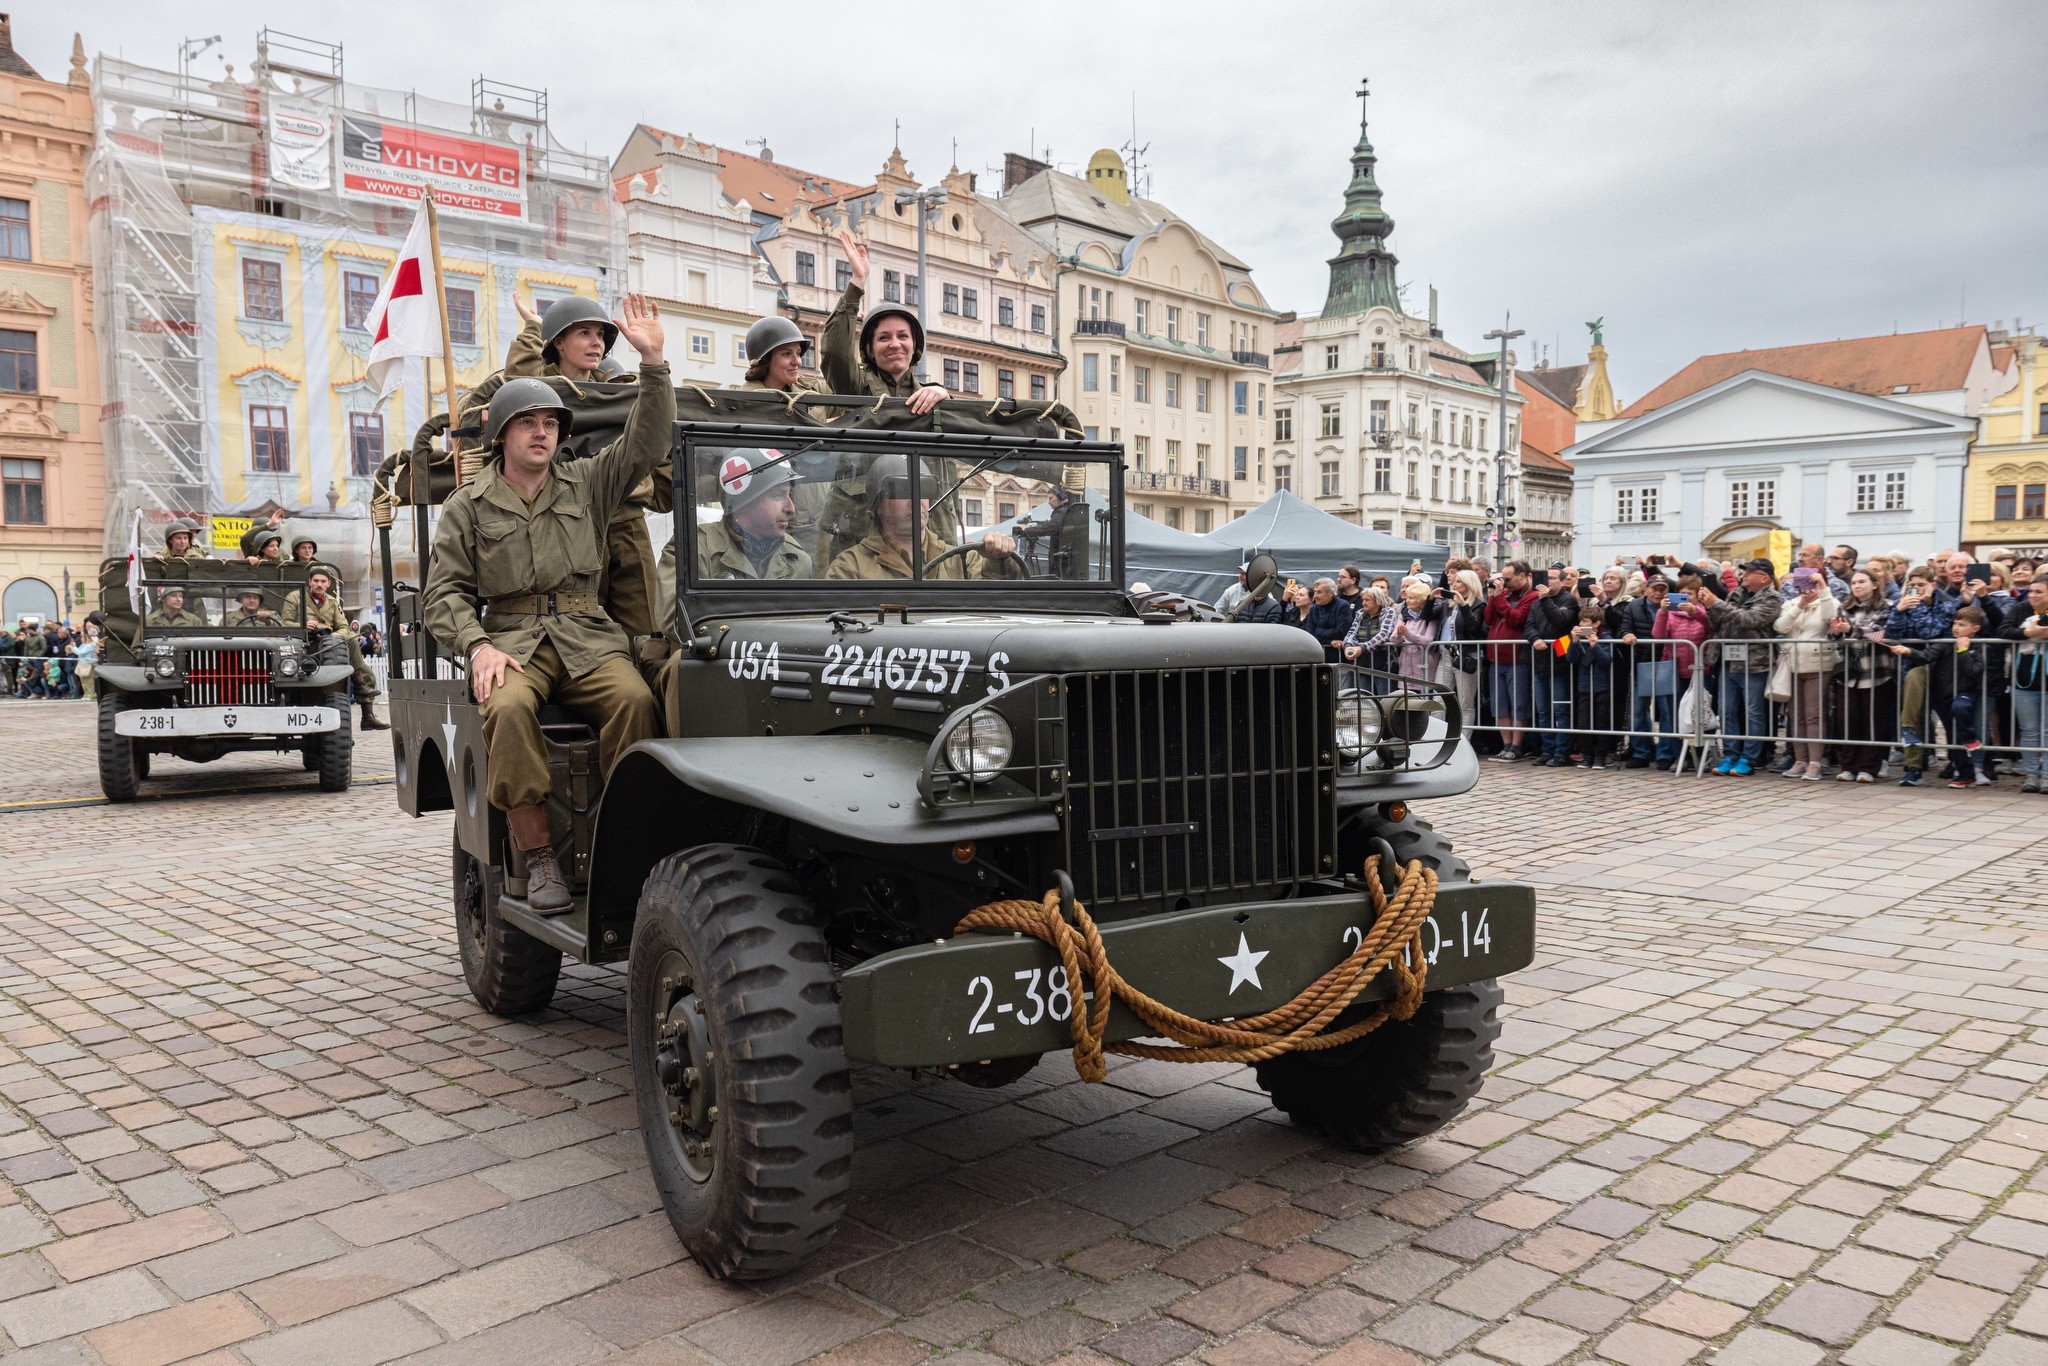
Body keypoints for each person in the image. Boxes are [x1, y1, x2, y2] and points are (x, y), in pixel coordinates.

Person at [422, 295, 670, 915]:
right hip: (512, 639)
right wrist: (477, 646)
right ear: (502, 434)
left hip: (587, 634)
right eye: (528, 423)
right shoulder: (468, 506)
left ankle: (623, 844)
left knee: (636, 701)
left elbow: (644, 444)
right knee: (506, 708)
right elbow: (444, 594)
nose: (542, 433)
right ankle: (538, 857)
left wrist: (653, 363)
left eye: (551, 424)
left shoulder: (587, 483)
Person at [826, 455, 1017, 580]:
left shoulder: (962, 560)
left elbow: (998, 606)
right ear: (878, 506)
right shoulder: (850, 566)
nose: (916, 501)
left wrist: (999, 559)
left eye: (923, 489)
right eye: (901, 490)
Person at [822, 230, 949, 411]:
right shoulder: (856, 386)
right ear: (870, 349)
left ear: (915, 345)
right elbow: (835, 354)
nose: (895, 344)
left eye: (903, 336)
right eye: (884, 338)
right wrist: (857, 283)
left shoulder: (928, 396)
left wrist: (945, 396)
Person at [1703, 558, 1780, 775]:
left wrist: (1717, 603)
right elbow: (1718, 623)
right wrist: (1709, 608)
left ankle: (1749, 758)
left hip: (1754, 663)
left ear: (1763, 577)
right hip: (1727, 660)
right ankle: (1730, 754)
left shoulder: (1772, 597)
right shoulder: (1736, 593)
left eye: (1749, 572)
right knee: (1726, 711)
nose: (1743, 575)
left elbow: (1750, 619)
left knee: (1754, 712)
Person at [285, 566, 387, 731]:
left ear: (328, 584)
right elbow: (285, 623)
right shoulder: (295, 597)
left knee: (362, 663)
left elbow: (344, 627)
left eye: (323, 581)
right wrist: (302, 626)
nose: (319, 584)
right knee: (353, 649)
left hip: (331, 646)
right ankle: (360, 685)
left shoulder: (332, 602)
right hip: (305, 646)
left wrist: (333, 637)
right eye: (316, 581)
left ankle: (368, 715)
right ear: (309, 582)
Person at [696, 450, 815, 580]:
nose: (791, 509)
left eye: (789, 494)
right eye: (779, 495)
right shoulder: (698, 550)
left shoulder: (798, 559)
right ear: (746, 502)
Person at [1829, 570, 1895, 783]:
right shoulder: (1844, 606)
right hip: (1848, 671)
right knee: (1847, 719)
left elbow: (1880, 633)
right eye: (1854, 582)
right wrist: (1836, 632)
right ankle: (1848, 765)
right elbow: (1835, 637)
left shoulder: (1886, 606)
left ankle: (1868, 767)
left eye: (1862, 582)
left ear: (1874, 584)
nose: (1857, 586)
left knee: (1872, 720)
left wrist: (1851, 629)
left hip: (1875, 671)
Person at [1774, 571, 1840, 780]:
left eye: (1811, 584)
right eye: (1802, 584)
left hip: (1818, 665)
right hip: (1792, 665)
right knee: (1796, 716)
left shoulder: (1828, 601)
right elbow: (1780, 626)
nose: (1807, 588)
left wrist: (1823, 589)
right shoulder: (1791, 603)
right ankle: (1800, 760)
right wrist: (1800, 604)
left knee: (1814, 715)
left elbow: (1831, 618)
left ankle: (1815, 763)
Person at [1524, 567, 1582, 766]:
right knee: (1543, 710)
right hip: (1540, 662)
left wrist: (1545, 599)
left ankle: (1562, 752)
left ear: (1563, 581)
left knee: (1561, 710)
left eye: (1552, 578)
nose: (1547, 581)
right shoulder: (1536, 602)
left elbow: (1560, 620)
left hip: (1560, 662)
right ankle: (1547, 750)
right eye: (1545, 578)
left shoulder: (1569, 600)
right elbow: (1529, 626)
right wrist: (1535, 639)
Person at [1483, 562, 1540, 759]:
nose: (1505, 583)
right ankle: (1505, 745)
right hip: (1496, 658)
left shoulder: (1532, 596)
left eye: (1508, 579)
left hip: (1517, 659)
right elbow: (1488, 619)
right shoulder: (1504, 595)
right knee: (1500, 705)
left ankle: (1516, 746)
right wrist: (1494, 596)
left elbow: (1516, 619)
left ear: (1522, 576)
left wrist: (1499, 597)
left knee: (1518, 704)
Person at [2001, 579, 2048, 793]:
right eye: (2031, 591)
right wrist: (2029, 633)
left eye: (2039, 592)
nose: (2033, 596)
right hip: (2024, 679)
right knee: (2029, 730)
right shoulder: (2020, 609)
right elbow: (2004, 631)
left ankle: (2046, 775)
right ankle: (2031, 774)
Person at [1566, 602, 1616, 767]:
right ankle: (1587, 755)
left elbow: (1606, 660)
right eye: (1580, 621)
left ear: (1596, 623)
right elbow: (1571, 659)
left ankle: (1600, 756)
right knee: (1584, 722)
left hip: (1602, 686)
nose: (1581, 624)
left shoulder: (1606, 638)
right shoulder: (1579, 638)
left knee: (1601, 722)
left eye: (1585, 621)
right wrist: (1574, 641)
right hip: (1584, 686)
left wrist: (1595, 645)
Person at [1435, 569, 1485, 731]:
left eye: (1458, 582)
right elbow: (1428, 615)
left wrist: (1464, 605)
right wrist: (1430, 599)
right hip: (1446, 654)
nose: (1453, 584)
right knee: (1438, 699)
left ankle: (1464, 741)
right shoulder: (1449, 604)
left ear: (1469, 584)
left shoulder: (1479, 604)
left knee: (1465, 703)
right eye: (1454, 581)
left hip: (1467, 656)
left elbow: (1474, 627)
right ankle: (1436, 738)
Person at [1391, 579, 1444, 682]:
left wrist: (1407, 634)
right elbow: (1393, 639)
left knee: (1425, 690)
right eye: (1407, 597)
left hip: (1425, 666)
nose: (1407, 600)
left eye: (1411, 598)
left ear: (1421, 600)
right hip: (1405, 667)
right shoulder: (1404, 613)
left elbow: (1428, 640)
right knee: (1404, 691)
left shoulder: (1432, 616)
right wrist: (1398, 634)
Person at [1301, 579, 1354, 663]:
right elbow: (1310, 635)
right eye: (1315, 592)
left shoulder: (1342, 606)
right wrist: (1330, 641)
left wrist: (1318, 630)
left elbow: (1340, 632)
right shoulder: (1314, 609)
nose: (1315, 596)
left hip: (1338, 658)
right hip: (1318, 657)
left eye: (1319, 592)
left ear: (1330, 593)